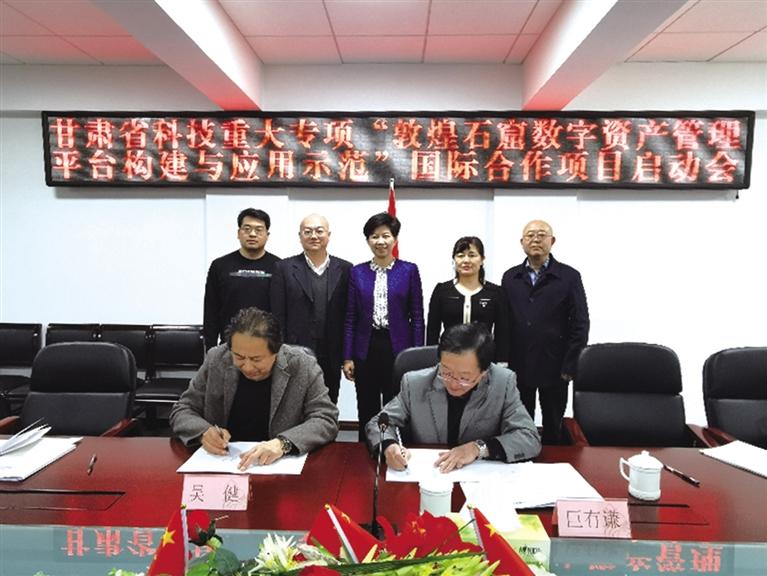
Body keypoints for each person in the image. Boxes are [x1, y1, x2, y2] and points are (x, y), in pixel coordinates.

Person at [170, 307, 339, 470]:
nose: (248, 367)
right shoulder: (216, 359)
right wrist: (203, 432)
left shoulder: (303, 366)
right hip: (225, 463)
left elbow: (326, 418)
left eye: (256, 359)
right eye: (239, 357)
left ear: (277, 352)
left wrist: (283, 444)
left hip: (278, 467)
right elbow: (183, 409)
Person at [366, 323, 541, 473]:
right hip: (429, 477)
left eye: (464, 378)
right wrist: (389, 445)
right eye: (447, 373)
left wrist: (478, 448)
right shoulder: (415, 384)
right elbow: (378, 423)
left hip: (479, 483)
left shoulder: (502, 383)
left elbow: (528, 437)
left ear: (484, 372)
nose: (454, 384)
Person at [501, 219, 589, 445]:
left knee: (553, 428)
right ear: (522, 242)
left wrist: (570, 366)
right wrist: (503, 362)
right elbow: (504, 323)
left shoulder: (569, 276)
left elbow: (580, 324)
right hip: (519, 365)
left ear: (552, 241)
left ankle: (552, 462)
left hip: (556, 366)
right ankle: (523, 460)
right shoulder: (510, 277)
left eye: (542, 235)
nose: (536, 239)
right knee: (519, 425)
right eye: (530, 235)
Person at [343, 212, 424, 441]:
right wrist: (347, 357)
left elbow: (417, 317)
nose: (380, 241)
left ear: (395, 239)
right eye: (374, 236)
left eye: (386, 236)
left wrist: (416, 355)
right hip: (365, 348)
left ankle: (394, 447)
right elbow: (350, 317)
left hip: (398, 347)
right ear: (368, 240)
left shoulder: (408, 270)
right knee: (366, 405)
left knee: (396, 404)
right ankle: (366, 450)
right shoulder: (357, 272)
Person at [270, 214, 352, 404]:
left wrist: (348, 355)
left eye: (319, 231)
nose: (314, 236)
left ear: (328, 235)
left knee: (328, 403)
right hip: (294, 351)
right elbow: (277, 315)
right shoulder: (283, 268)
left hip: (332, 352)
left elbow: (350, 315)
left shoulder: (346, 269)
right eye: (308, 232)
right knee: (294, 405)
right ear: (300, 236)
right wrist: (279, 352)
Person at [203, 208, 281, 350]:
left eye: (258, 230)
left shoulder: (279, 267)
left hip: (267, 347)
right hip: (229, 346)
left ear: (267, 235)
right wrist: (210, 348)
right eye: (247, 229)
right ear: (238, 233)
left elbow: (283, 312)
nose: (252, 234)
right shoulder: (220, 265)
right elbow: (211, 311)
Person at [426, 236, 509, 362]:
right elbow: (432, 331)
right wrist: (432, 361)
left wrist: (502, 363)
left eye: (472, 255)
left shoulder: (495, 293)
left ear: (482, 259)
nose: (466, 260)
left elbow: (503, 333)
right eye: (460, 255)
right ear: (454, 259)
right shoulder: (442, 291)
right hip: (449, 359)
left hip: (483, 361)